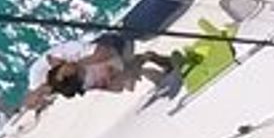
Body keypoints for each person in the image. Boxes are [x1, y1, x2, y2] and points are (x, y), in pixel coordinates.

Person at [22, 33, 174, 113]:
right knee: (125, 84)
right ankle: (141, 62)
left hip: (110, 46)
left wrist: (77, 67)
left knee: (126, 74)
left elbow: (103, 53)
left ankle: (147, 58)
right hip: (86, 70)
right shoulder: (52, 86)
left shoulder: (71, 52)